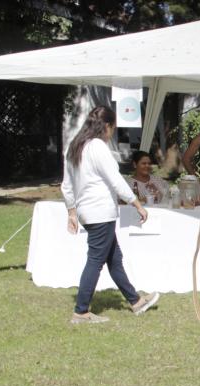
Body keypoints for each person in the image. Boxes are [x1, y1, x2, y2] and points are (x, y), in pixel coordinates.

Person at [61, 106, 160, 324]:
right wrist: (137, 204)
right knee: (95, 261)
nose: (112, 133)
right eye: (113, 128)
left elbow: (67, 185)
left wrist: (71, 211)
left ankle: (136, 302)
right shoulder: (97, 147)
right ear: (106, 126)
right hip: (100, 212)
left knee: (114, 258)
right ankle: (81, 311)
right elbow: (115, 180)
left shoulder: (75, 147)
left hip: (88, 212)